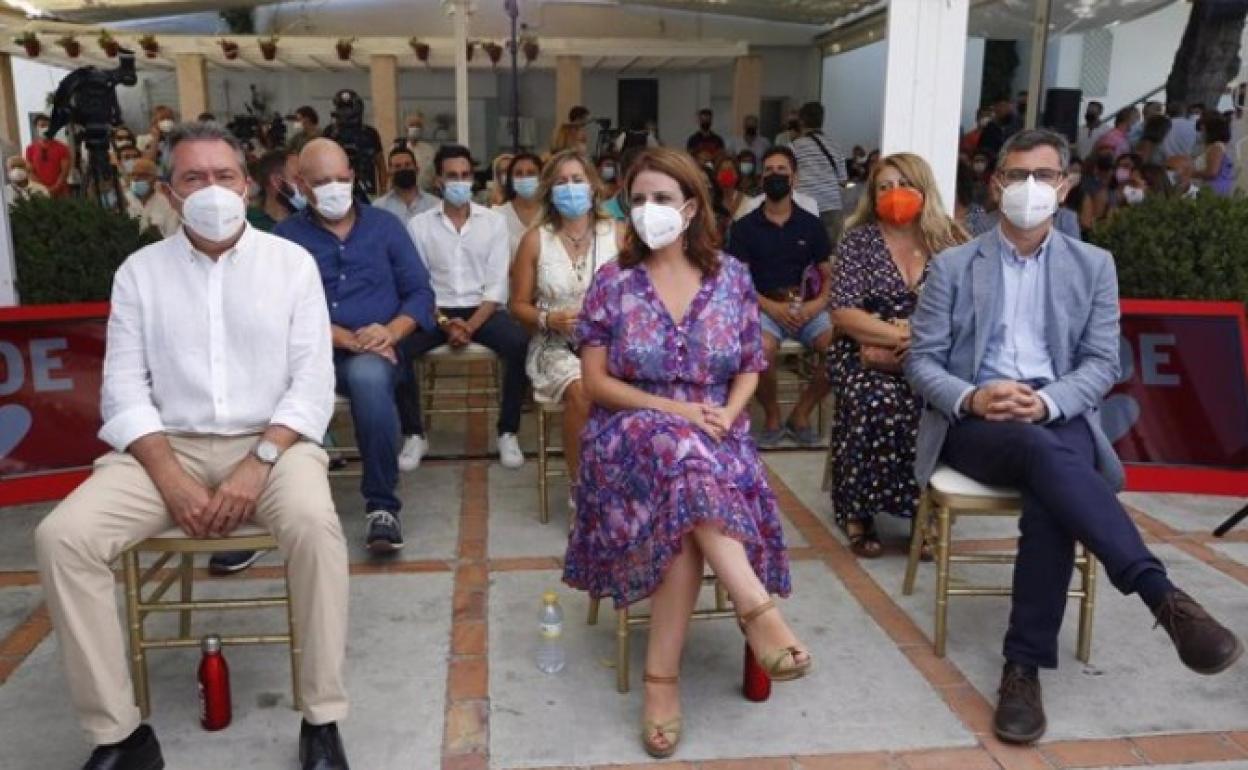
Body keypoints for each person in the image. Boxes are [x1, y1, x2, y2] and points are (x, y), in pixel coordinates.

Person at [907, 128, 1242, 745]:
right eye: (1014, 176)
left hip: (1056, 416)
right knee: (1046, 457)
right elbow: (921, 362)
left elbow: (1100, 363)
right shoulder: (953, 266)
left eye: (1043, 176)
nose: (1027, 189)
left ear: (1065, 185)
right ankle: (1162, 596)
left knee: (1049, 488)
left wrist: (1048, 400)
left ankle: (1023, 668)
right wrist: (977, 396)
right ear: (994, 185)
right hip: (975, 425)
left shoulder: (1094, 266)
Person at [34, 122, 352, 770]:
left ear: (250, 184)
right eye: (193, 178)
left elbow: (313, 383)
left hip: (274, 443)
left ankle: (321, 719)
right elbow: (122, 391)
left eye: (224, 176)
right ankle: (119, 734)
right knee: (62, 537)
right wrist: (174, 480)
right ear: (170, 192)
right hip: (164, 446)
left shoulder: (290, 265)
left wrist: (254, 466)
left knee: (316, 526)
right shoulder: (140, 273)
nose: (211, 189)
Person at [564, 147, 811, 759]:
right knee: (681, 456)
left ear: (692, 206)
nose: (649, 211)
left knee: (687, 491)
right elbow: (596, 385)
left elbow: (751, 366)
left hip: (718, 434)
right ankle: (756, 610)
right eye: (638, 200)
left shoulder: (731, 277)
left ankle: (660, 683)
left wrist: (727, 414)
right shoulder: (613, 283)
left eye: (663, 199)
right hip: (627, 434)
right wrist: (678, 413)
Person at [274, 138, 436, 555]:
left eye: (341, 178)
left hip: (379, 350)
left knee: (368, 377)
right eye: (322, 181)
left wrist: (392, 331)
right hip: (309, 352)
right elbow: (276, 308)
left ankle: (382, 507)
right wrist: (344, 337)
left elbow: (419, 292)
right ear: (302, 186)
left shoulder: (384, 226)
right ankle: (265, 505)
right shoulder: (285, 238)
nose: (334, 188)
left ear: (353, 176)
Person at [828, 152, 967, 558]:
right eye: (884, 187)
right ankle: (859, 512)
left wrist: (921, 340)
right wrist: (895, 335)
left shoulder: (952, 241)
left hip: (932, 354)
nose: (894, 194)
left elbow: (970, 308)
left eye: (903, 184)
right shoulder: (860, 241)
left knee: (930, 403)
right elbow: (843, 311)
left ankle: (922, 513)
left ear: (923, 189)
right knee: (877, 399)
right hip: (862, 351)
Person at [404, 145, 531, 470]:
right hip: (435, 310)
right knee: (399, 348)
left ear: (473, 178)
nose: (459, 182)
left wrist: (469, 326)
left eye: (465, 175)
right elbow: (419, 286)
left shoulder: (493, 223)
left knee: (518, 343)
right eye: (452, 176)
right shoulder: (419, 226)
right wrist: (446, 323)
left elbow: (496, 288)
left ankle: (507, 431)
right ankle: (414, 433)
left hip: (483, 311)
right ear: (438, 181)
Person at [509, 150, 620, 511]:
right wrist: (547, 319)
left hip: (611, 345)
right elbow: (518, 305)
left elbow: (642, 293)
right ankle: (581, 488)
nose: (570, 188)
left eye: (577, 180)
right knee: (584, 391)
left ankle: (627, 478)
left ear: (593, 186)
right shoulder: (535, 240)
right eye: (561, 182)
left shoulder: (619, 234)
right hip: (555, 347)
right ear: (549, 191)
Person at [726, 146, 834, 447]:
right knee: (761, 349)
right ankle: (772, 415)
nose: (775, 176)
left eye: (782, 171)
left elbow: (829, 275)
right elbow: (740, 281)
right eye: (769, 171)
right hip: (762, 306)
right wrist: (771, 307)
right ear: (761, 179)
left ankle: (801, 414)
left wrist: (817, 304)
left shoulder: (811, 226)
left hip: (806, 307)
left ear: (794, 179)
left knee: (840, 349)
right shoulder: (744, 228)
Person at [791, 101, 848, 245]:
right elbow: (843, 181)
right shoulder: (835, 146)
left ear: (801, 120)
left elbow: (788, 177)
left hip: (804, 207)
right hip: (832, 207)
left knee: (804, 256)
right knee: (829, 256)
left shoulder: (794, 147)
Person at [374, 146, 441, 225]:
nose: (403, 169)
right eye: (397, 166)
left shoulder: (435, 205)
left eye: (407, 165)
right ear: (389, 173)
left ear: (417, 169)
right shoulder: (379, 207)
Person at [494, 152, 543, 259]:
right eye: (518, 173)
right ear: (511, 179)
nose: (524, 177)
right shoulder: (497, 215)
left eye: (531, 173)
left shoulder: (551, 214)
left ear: (541, 177)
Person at [122, 158, 180, 237]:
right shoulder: (123, 201)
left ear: (154, 178)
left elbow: (172, 236)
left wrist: (156, 235)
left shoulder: (167, 204)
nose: (136, 179)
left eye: (142, 175)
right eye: (133, 175)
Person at [246, 149, 299, 232]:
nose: (304, 185)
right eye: (297, 178)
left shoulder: (312, 219)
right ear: (276, 181)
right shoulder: (248, 225)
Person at [25, 112, 70, 197]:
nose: (46, 128)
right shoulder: (30, 149)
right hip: (39, 194)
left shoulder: (62, 148)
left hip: (61, 194)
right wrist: (43, 190)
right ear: (36, 128)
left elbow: (64, 173)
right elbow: (30, 172)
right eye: (42, 126)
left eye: (48, 126)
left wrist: (54, 189)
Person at [1193, 113, 1235, 196]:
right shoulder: (1216, 146)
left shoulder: (1216, 147)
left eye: (1203, 130)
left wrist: (1191, 173)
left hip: (1213, 190)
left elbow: (1212, 172)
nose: (1201, 133)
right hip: (1213, 189)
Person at [137, 105, 177, 176]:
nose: (166, 121)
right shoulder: (143, 139)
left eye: (169, 119)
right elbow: (147, 162)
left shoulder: (177, 139)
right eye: (162, 119)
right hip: (155, 177)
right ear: (155, 122)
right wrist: (156, 138)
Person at [713, 155, 746, 225]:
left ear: (737, 175)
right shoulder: (711, 203)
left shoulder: (749, 202)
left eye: (730, 170)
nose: (726, 174)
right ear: (716, 176)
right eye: (722, 170)